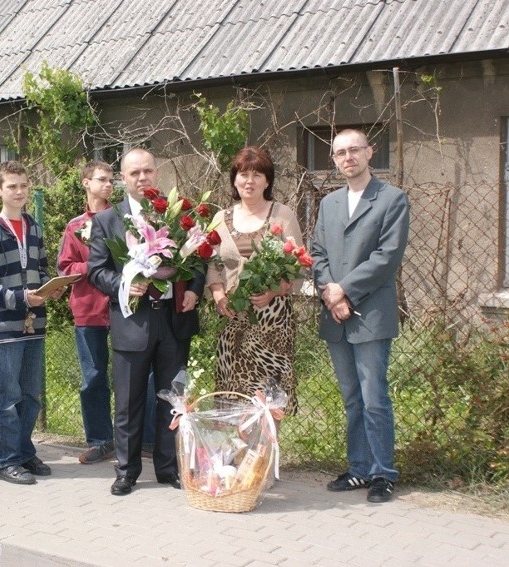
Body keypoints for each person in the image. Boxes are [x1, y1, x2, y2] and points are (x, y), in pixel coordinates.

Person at [88, 148, 205, 496]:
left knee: (172, 399)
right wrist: (125, 284)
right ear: (123, 179)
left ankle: (169, 468)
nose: (142, 178)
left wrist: (195, 290)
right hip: (131, 324)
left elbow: (198, 258)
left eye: (148, 171)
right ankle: (127, 470)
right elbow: (96, 271)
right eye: (134, 173)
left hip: (173, 322)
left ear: (157, 174)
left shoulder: (177, 214)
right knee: (127, 402)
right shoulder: (108, 220)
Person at [312, 128, 410, 504]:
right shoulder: (329, 203)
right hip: (336, 315)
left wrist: (344, 290)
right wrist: (329, 293)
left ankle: (383, 473)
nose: (347, 157)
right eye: (340, 153)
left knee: (373, 398)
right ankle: (359, 469)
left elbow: (387, 257)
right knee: (352, 397)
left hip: (369, 314)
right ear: (334, 160)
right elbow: (318, 253)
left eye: (354, 150)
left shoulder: (391, 199)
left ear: (369, 153)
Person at [0, 160, 63, 485]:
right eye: (12, 186)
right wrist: (23, 298)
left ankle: (24, 452)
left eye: (24, 185)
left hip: (34, 325)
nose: (19, 191)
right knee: (7, 396)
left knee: (31, 396)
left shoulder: (34, 227)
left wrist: (49, 288)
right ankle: (5, 461)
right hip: (4, 328)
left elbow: (38, 270)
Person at [207, 146, 303, 418]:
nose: (249, 181)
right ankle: (239, 459)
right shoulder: (219, 218)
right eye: (243, 174)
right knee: (233, 392)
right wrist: (218, 295)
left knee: (270, 399)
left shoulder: (282, 215)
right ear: (234, 180)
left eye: (257, 174)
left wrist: (274, 291)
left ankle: (266, 458)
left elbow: (298, 263)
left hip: (272, 324)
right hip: (232, 320)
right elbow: (211, 263)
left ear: (268, 180)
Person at [57, 160, 115, 464]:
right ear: (86, 183)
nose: (107, 185)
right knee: (92, 377)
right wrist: (94, 267)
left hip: (122, 308)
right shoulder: (75, 226)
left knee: (130, 377)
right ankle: (100, 440)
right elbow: (64, 267)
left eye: (110, 180)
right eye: (101, 179)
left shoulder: (122, 219)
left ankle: (138, 439)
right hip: (88, 310)